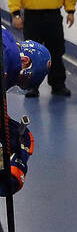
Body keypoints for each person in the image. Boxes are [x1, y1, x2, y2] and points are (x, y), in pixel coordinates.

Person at [0, 26, 50, 196]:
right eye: (22, 80)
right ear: (25, 62)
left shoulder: (7, 42)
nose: (14, 84)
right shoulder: (10, 61)